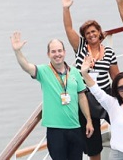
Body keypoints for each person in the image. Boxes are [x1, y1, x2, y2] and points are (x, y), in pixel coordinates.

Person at [11, 32, 93, 160]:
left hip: (75, 127)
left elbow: (82, 97)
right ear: (48, 54)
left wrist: (88, 120)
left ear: (65, 52)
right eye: (53, 51)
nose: (57, 54)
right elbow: (26, 67)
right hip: (56, 130)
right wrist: (17, 52)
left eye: (60, 51)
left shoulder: (75, 72)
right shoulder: (43, 71)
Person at [61, 0, 119, 160]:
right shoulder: (80, 48)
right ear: (84, 37)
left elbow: (115, 76)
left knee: (121, 122)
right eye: (87, 33)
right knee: (91, 140)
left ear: (100, 32)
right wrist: (66, 9)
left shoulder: (108, 52)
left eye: (94, 31)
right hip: (85, 98)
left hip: (105, 95)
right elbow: (68, 29)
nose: (91, 35)